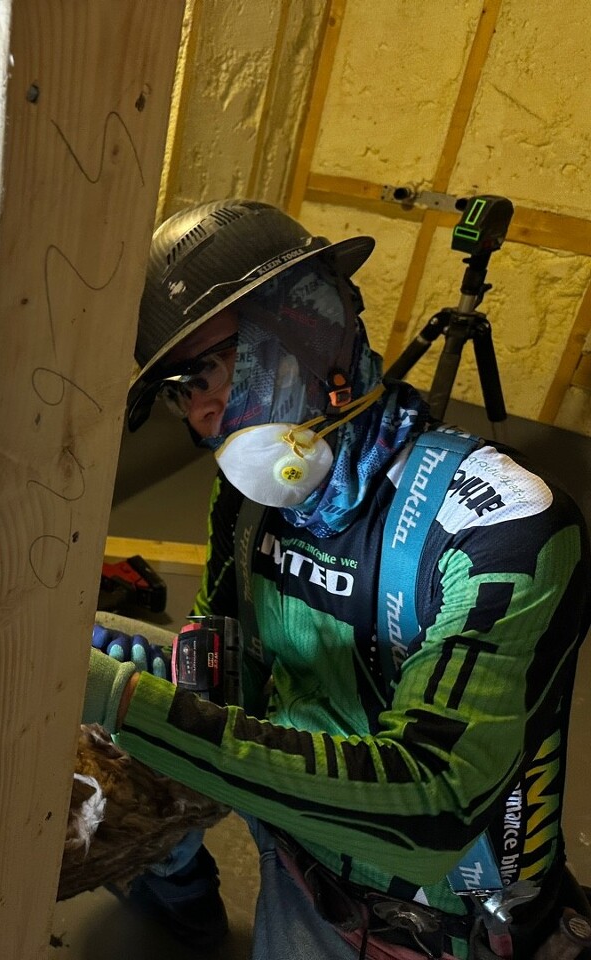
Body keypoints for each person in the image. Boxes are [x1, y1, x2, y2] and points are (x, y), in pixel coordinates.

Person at [82, 199, 591, 960]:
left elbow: (433, 809)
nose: (202, 418)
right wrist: (162, 676)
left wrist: (122, 701)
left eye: (210, 373)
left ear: (307, 328)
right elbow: (226, 665)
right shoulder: (250, 502)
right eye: (181, 391)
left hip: (437, 930)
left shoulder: (500, 526)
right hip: (298, 871)